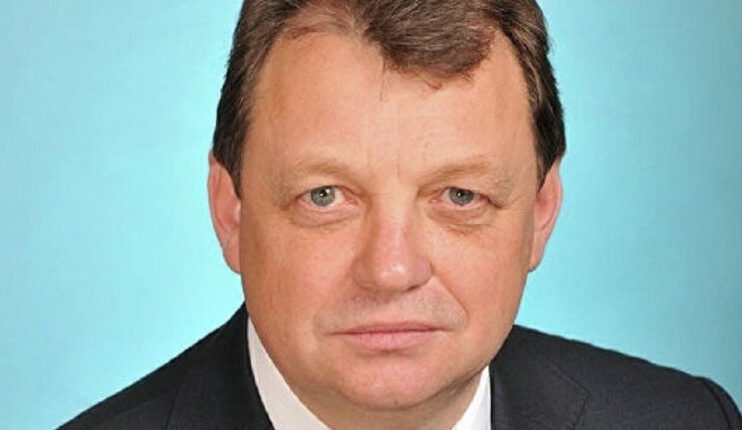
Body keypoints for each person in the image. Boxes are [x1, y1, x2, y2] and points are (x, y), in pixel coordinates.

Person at [61, 0, 741, 429]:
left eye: (460, 196)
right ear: (230, 211)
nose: (391, 270)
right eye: (325, 196)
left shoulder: (688, 421)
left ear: (540, 212)